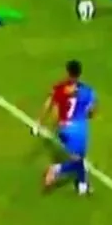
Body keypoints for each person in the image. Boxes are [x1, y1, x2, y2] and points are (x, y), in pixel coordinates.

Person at [33, 60, 97, 195]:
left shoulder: (60, 88)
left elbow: (49, 105)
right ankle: (56, 170)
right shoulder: (88, 91)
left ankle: (82, 186)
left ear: (68, 72)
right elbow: (91, 112)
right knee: (78, 159)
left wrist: (39, 122)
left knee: (78, 158)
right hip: (78, 128)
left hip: (63, 127)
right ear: (80, 73)